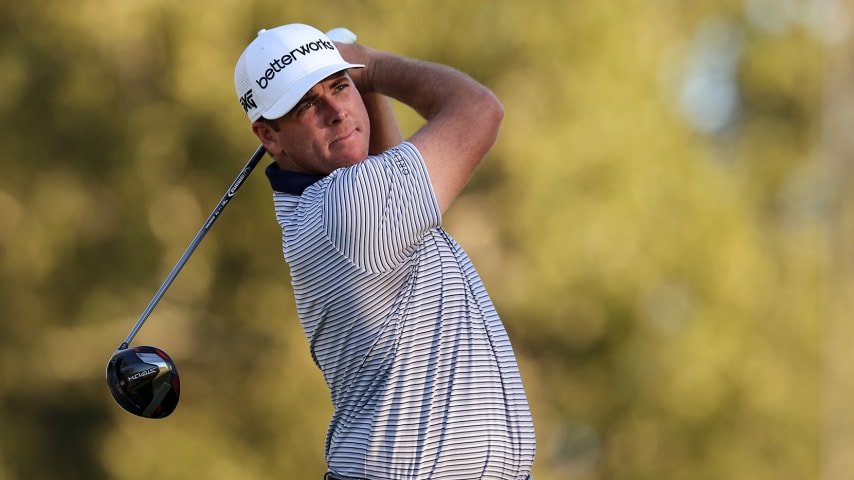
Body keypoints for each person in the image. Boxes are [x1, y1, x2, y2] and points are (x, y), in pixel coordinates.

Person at [233, 23, 536, 479]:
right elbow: (479, 109)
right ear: (270, 137)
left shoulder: (344, 204)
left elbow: (386, 165)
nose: (336, 110)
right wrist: (370, 66)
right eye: (307, 105)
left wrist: (362, 87)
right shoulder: (346, 211)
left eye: (340, 86)